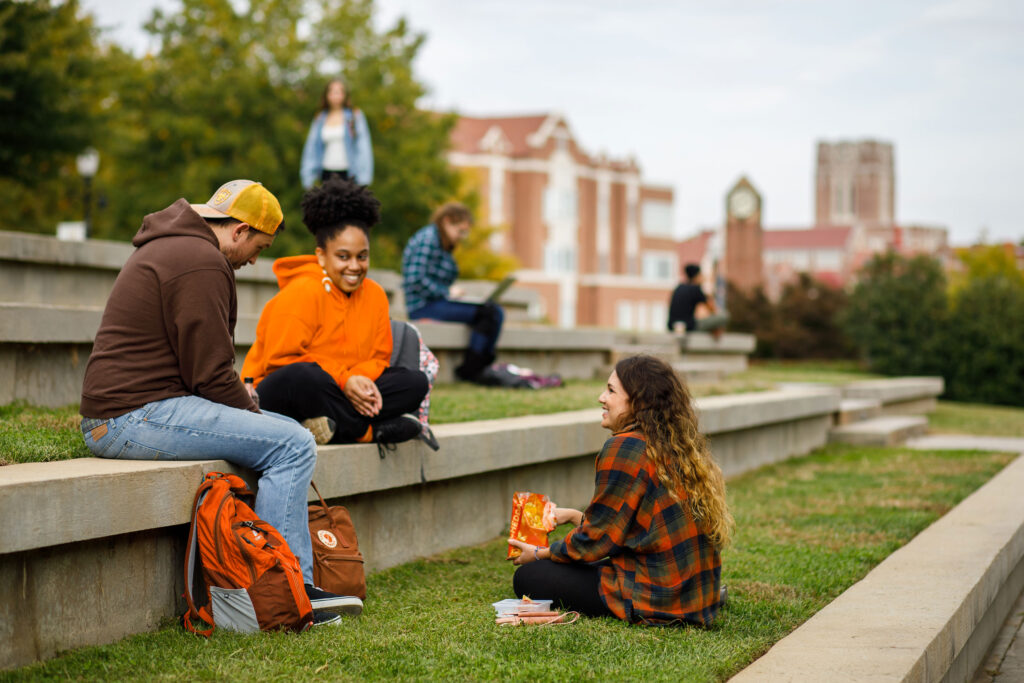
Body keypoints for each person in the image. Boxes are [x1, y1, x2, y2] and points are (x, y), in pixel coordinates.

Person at [79, 180, 361, 627]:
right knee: (292, 443)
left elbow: (200, 373)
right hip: (130, 417)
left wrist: (253, 410)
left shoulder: (176, 246)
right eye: (258, 247)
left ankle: (287, 585)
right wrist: (251, 412)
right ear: (238, 231)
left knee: (281, 427)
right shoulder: (201, 262)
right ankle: (287, 591)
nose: (254, 260)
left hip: (138, 409)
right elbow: (210, 375)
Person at [508, 355, 732, 626]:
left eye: (611, 391)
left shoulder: (625, 447)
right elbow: (627, 531)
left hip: (657, 595)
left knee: (530, 576)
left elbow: (595, 542)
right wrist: (573, 516)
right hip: (693, 593)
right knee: (570, 567)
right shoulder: (671, 443)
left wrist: (537, 554)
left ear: (639, 402)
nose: (601, 397)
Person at [242, 178, 429, 450]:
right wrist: (345, 380)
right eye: (343, 257)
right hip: (281, 392)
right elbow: (280, 361)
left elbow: (379, 357)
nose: (354, 266)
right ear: (321, 256)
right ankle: (364, 432)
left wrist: (360, 381)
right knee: (304, 377)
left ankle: (326, 425)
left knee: (414, 382)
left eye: (362, 256)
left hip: (339, 393)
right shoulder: (301, 291)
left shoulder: (375, 295)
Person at [401, 202, 504, 383]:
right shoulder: (428, 240)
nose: (462, 237)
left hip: (438, 301)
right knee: (488, 313)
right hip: (424, 306)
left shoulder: (444, 245)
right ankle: (472, 368)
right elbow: (415, 279)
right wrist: (446, 292)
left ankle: (480, 364)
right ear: (447, 221)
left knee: (495, 311)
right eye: (460, 230)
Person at [300, 78, 373, 189]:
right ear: (326, 95)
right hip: (326, 173)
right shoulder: (320, 118)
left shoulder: (354, 116)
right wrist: (308, 176)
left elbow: (363, 147)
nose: (335, 96)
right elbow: (311, 148)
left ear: (344, 95)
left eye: (338, 92)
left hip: (349, 174)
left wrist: (364, 178)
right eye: (332, 92)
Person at [667, 263, 729, 337]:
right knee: (724, 316)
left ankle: (714, 330)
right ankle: (714, 331)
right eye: (701, 275)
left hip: (672, 326)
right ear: (697, 276)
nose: (702, 278)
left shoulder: (678, 287)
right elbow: (712, 309)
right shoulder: (696, 288)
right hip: (689, 327)